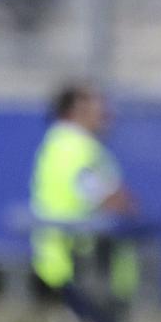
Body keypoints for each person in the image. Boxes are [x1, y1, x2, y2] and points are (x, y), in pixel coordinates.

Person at [30, 83, 138, 308]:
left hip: (70, 265)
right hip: (83, 267)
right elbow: (110, 199)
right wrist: (126, 203)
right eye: (97, 104)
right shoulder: (76, 149)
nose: (106, 112)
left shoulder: (59, 145)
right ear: (76, 110)